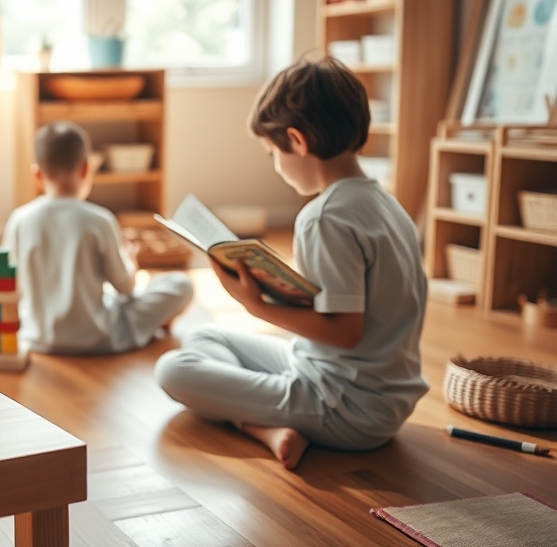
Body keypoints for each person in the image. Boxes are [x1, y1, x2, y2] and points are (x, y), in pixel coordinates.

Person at [155, 56, 428, 470]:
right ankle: (270, 423)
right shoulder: (385, 204)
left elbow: (346, 332)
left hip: (346, 407)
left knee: (174, 370)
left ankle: (262, 426)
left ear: (297, 142)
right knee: (210, 338)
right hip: (371, 394)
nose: (275, 165)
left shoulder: (324, 217)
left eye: (271, 153)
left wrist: (257, 306)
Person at [2, 121, 193, 355]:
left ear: (37, 174)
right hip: (100, 337)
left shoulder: (19, 220)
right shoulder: (99, 220)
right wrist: (130, 262)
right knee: (181, 284)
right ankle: (152, 325)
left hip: (36, 336)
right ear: (86, 169)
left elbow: (10, 286)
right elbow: (126, 288)